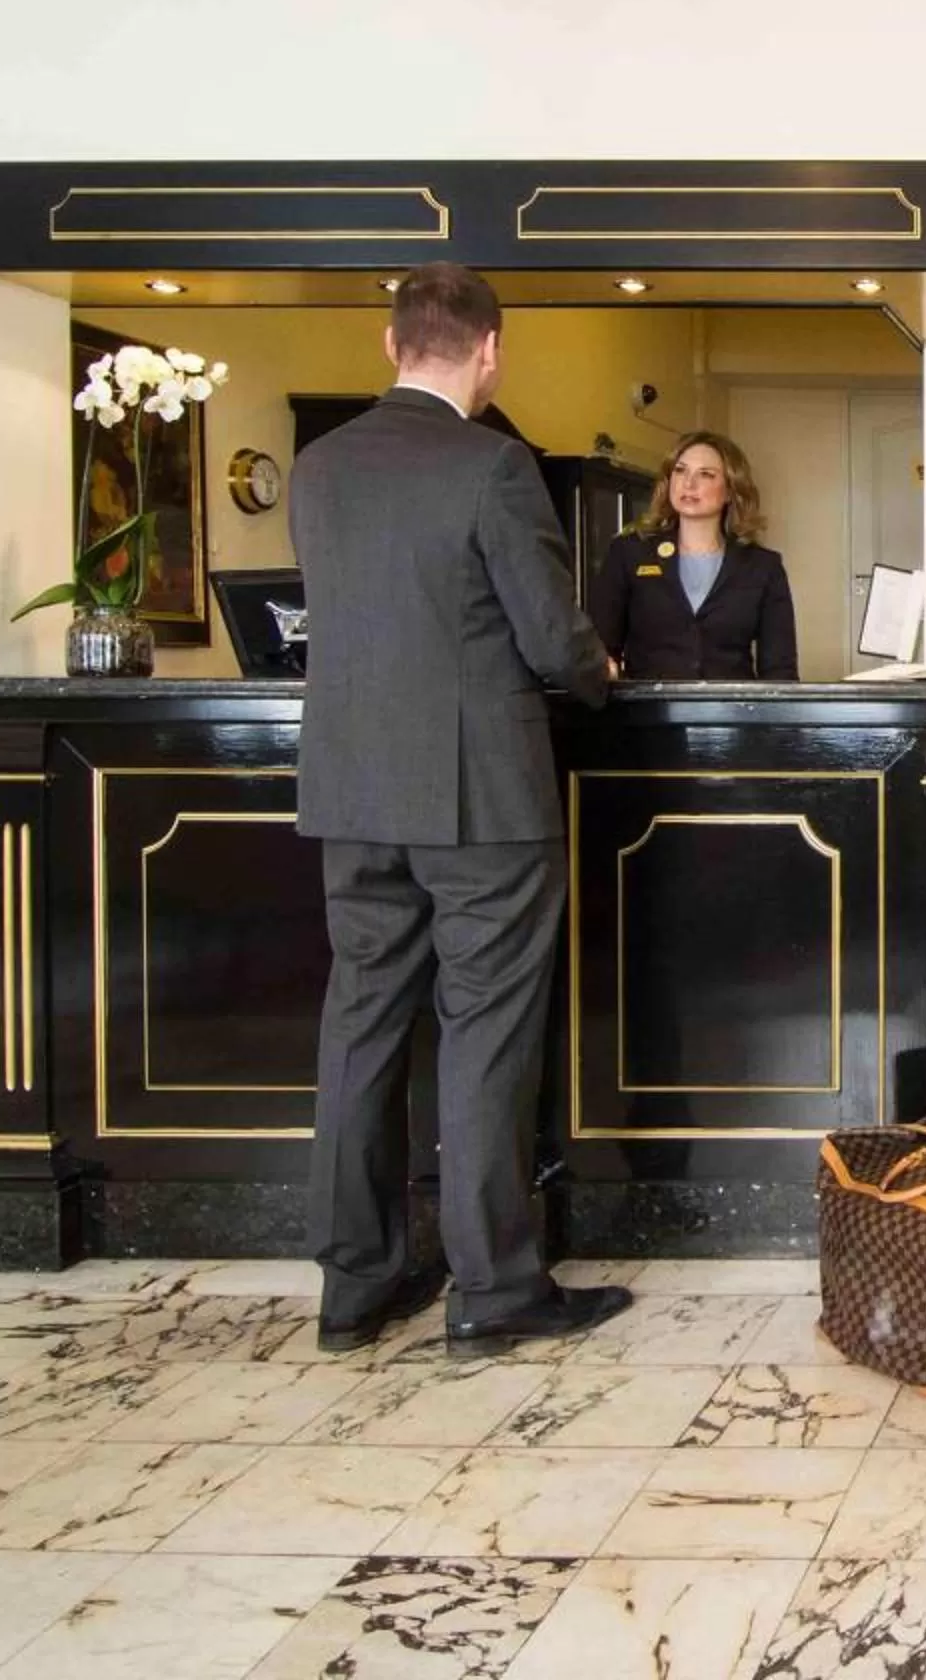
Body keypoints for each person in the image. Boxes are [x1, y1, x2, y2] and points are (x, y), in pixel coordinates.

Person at [288, 263, 633, 1356]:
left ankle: (354, 1286)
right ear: (490, 351)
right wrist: (596, 672)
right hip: (481, 796)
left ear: (391, 344)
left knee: (361, 1023)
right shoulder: (493, 465)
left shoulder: (320, 466)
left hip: (353, 791)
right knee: (483, 1030)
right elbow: (551, 638)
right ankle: (492, 1287)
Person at [585, 431, 801, 681]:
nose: (689, 483)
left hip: (731, 705)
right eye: (680, 471)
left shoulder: (763, 567)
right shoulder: (629, 552)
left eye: (706, 474)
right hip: (649, 704)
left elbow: (780, 671)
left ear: (730, 491)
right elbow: (600, 649)